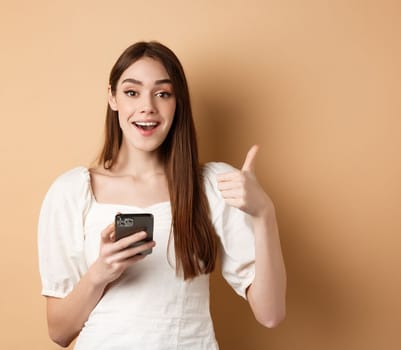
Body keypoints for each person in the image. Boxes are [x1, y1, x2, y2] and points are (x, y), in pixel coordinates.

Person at [37, 41, 287, 349]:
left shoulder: (212, 186)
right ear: (112, 97)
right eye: (132, 92)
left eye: (163, 94)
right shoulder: (71, 191)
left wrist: (264, 214)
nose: (147, 107)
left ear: (177, 102)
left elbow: (271, 313)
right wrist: (100, 273)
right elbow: (59, 332)